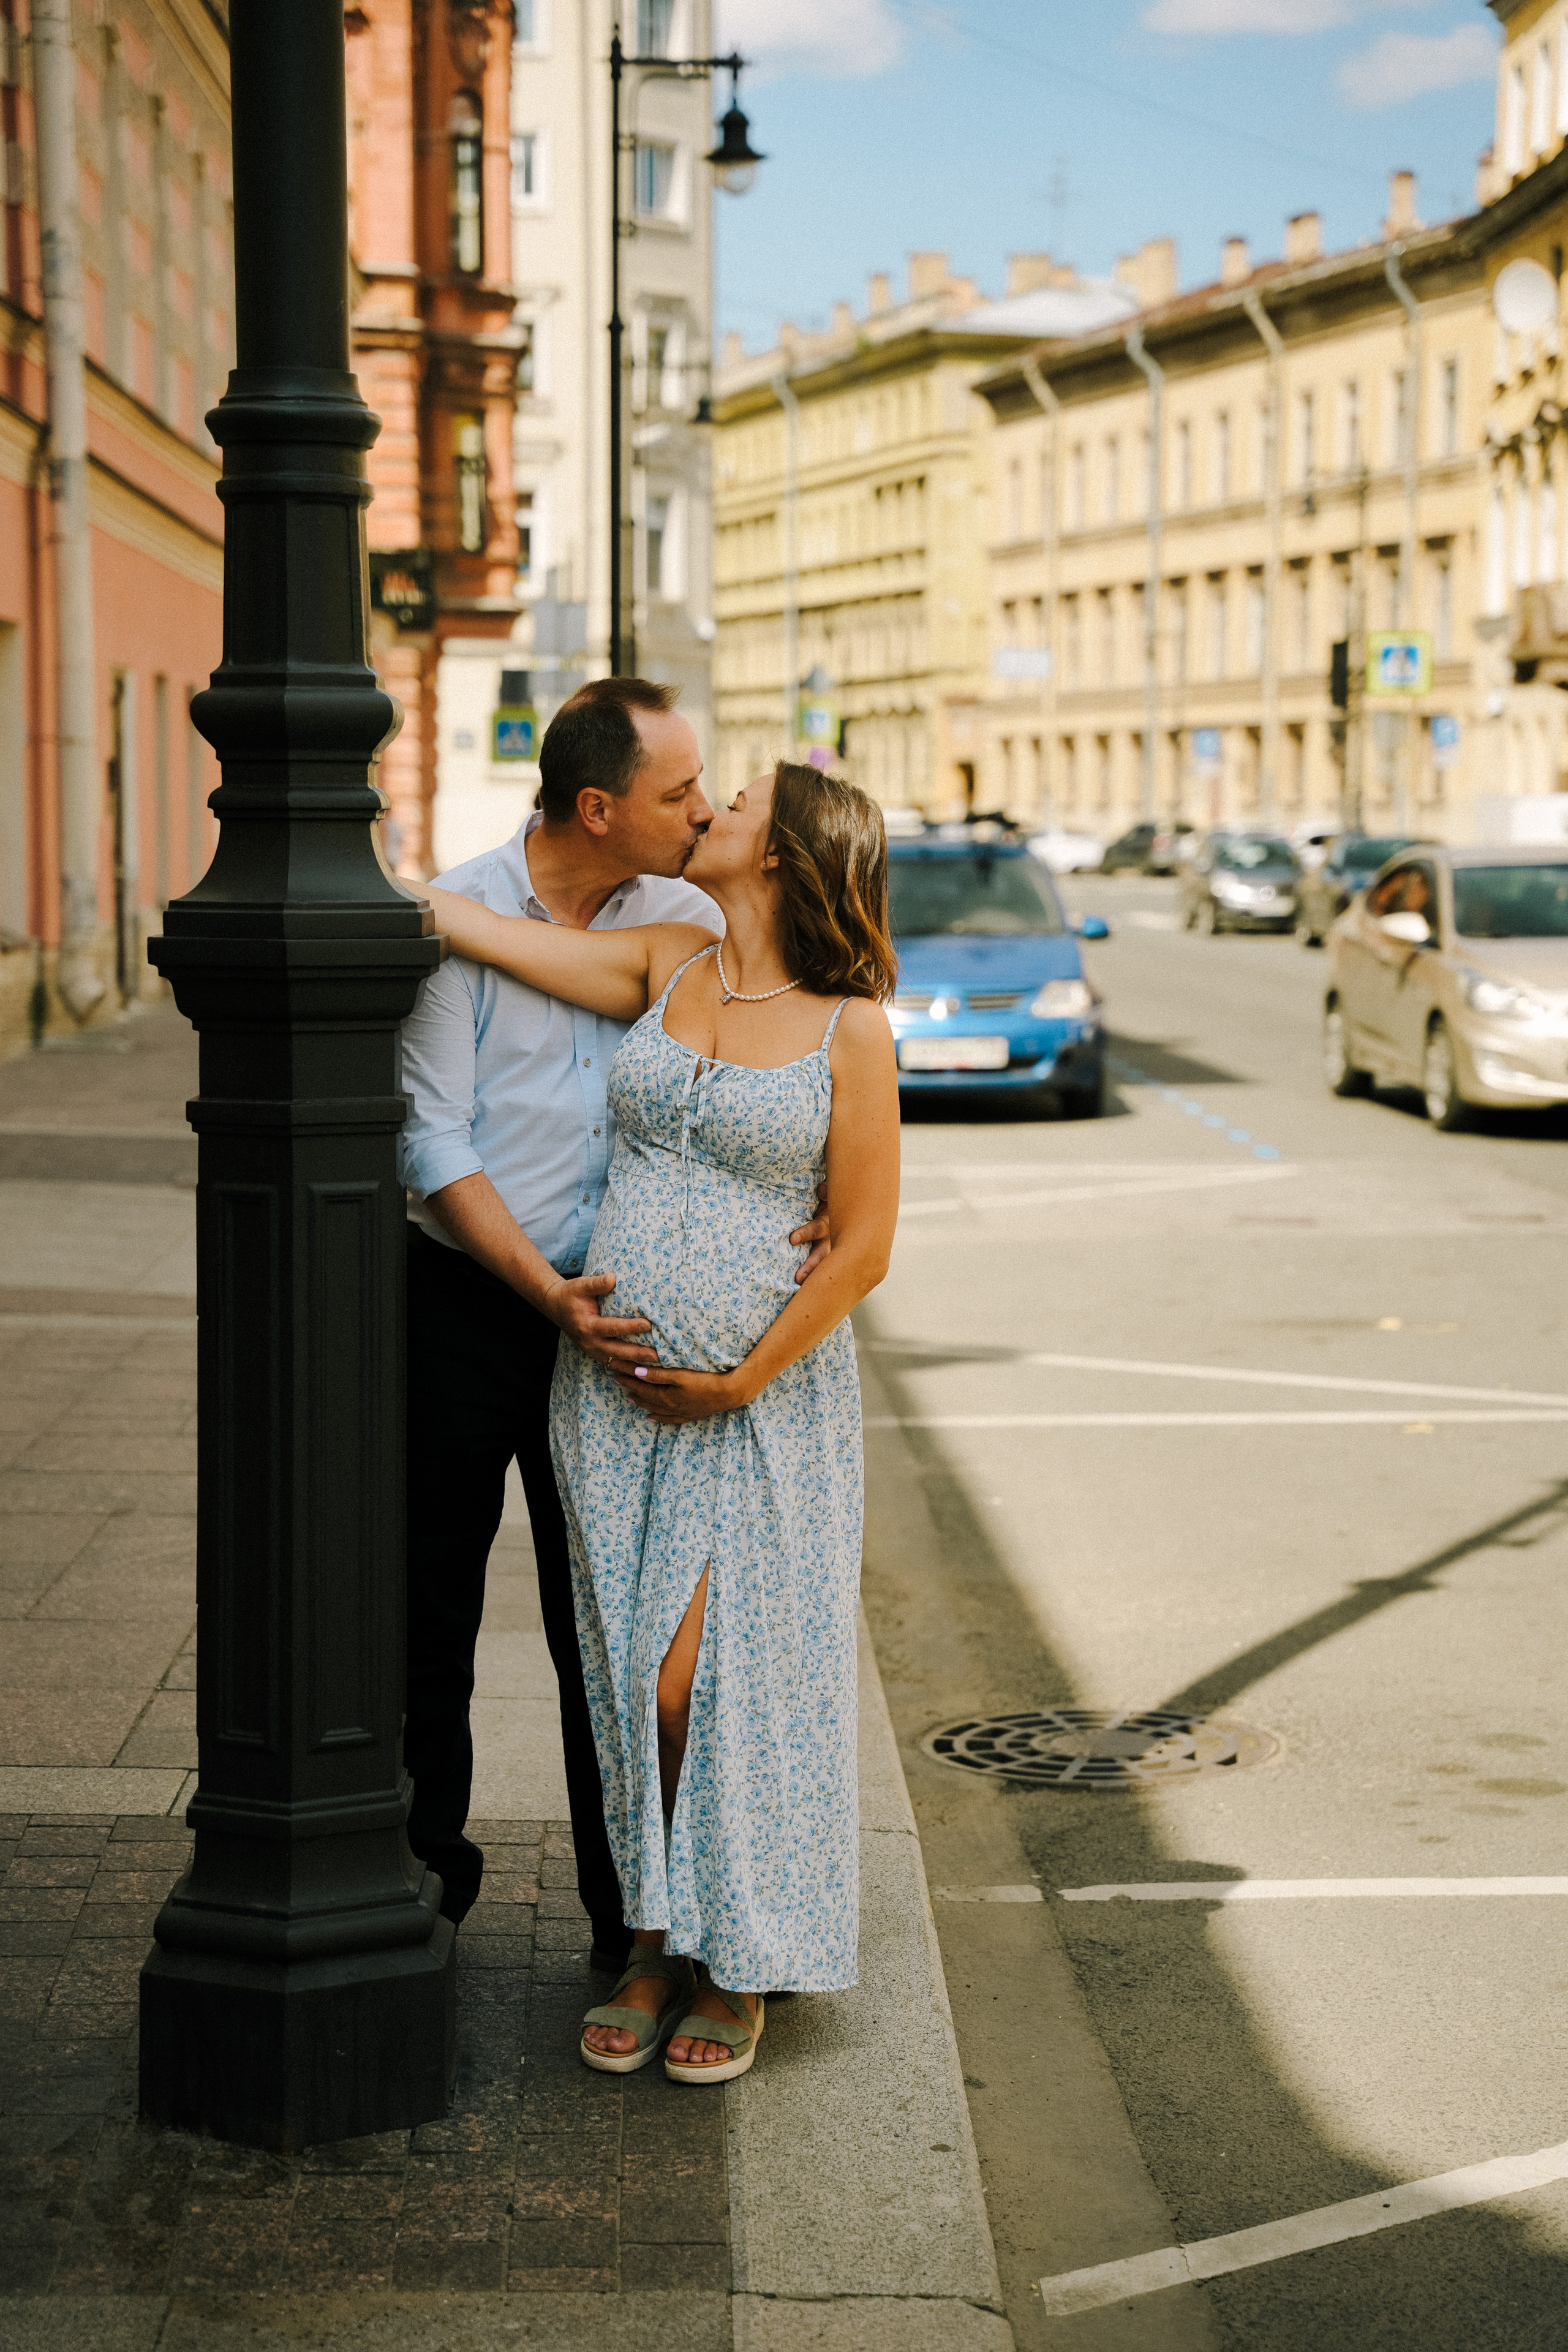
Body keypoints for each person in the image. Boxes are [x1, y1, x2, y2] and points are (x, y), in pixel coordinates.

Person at [424, 758, 900, 2081]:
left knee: (713, 1684)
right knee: (629, 1676)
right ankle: (651, 1942)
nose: (707, 814)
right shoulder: (666, 965)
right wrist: (387, 890)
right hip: (611, 1403)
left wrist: (742, 1376)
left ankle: (735, 1960)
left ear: (788, 856)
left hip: (759, 1412)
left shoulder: (847, 1024)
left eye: (733, 805)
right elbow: (489, 929)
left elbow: (861, 1249)